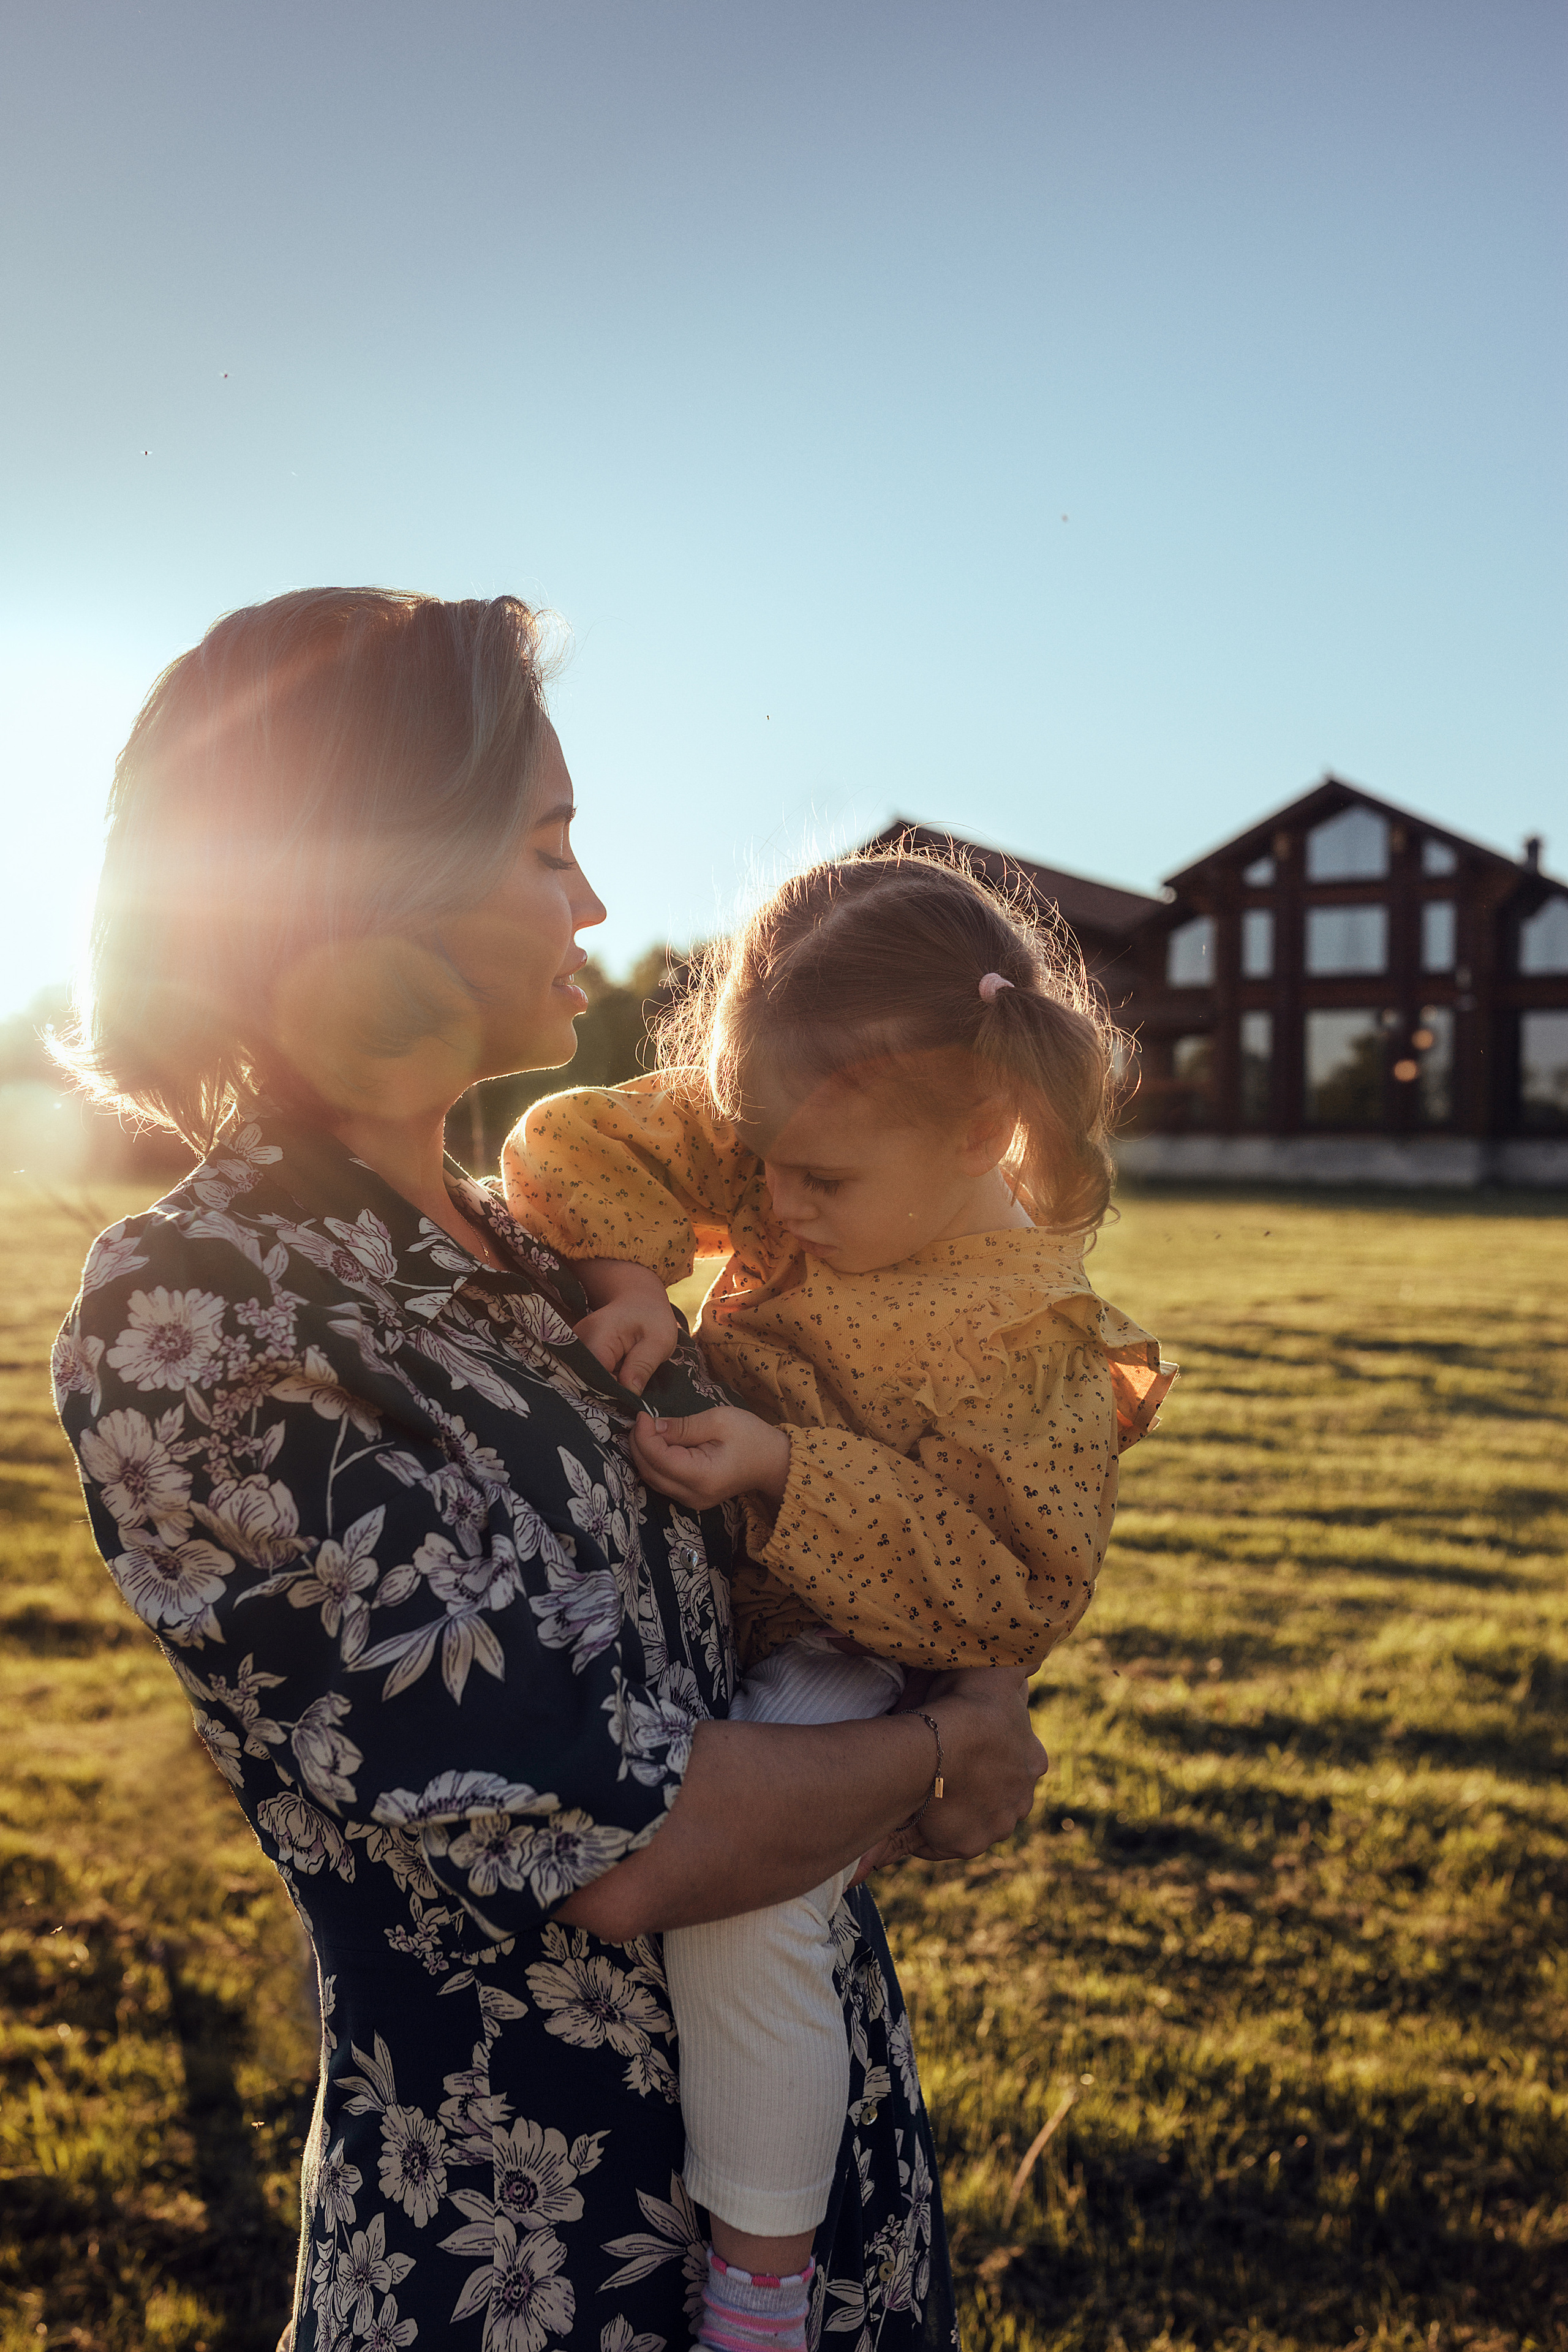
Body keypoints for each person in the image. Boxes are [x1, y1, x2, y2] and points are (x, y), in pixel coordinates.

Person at [50, 589, 1047, 2352]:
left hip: (830, 2200)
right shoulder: (202, 1301)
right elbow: (621, 1837)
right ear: (379, 877)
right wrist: (948, 1747)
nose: (591, 900)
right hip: (534, 2260)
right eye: (544, 846)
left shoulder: (548, 1250)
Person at [502, 851, 1174, 2305]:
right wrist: (628, 1278)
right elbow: (575, 1138)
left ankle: (762, 2284)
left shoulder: (1024, 1339)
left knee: (746, 1912)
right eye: (760, 1161)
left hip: (861, 1644)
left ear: (980, 1129)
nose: (776, 1204)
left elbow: (1009, 1590)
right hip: (732, 1610)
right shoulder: (795, 1129)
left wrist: (787, 1472)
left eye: (823, 1181)